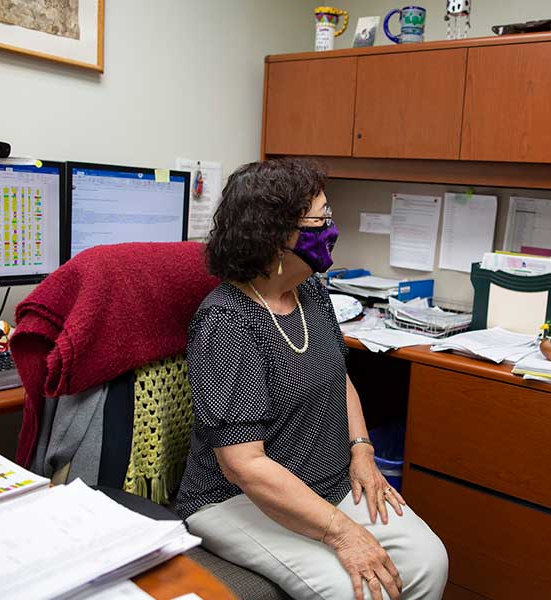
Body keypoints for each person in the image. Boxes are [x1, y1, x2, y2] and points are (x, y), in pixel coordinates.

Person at [175, 158, 448, 600]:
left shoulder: (312, 293)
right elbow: (244, 466)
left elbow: (338, 377)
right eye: (321, 219)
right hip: (235, 500)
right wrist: (341, 532)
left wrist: (361, 451)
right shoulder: (226, 323)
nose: (331, 229)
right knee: (356, 591)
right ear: (275, 236)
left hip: (326, 481)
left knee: (429, 561)